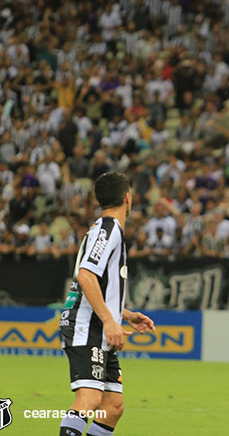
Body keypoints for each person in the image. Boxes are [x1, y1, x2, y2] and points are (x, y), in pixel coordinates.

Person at [58, 172, 156, 436]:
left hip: (97, 324)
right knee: (89, 399)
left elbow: (94, 284)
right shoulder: (108, 229)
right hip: (86, 326)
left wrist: (124, 314)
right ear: (128, 198)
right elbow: (85, 276)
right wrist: (110, 321)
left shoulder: (107, 229)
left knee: (113, 407)